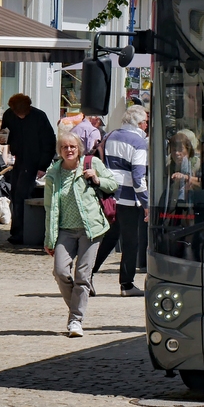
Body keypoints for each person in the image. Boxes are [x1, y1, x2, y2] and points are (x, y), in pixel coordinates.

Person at [43, 132, 118, 335]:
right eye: (65, 147)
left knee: (83, 275)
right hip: (65, 231)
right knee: (60, 272)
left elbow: (113, 184)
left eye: (72, 147)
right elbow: (49, 208)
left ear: (79, 149)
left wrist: (96, 178)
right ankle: (76, 309)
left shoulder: (91, 163)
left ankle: (75, 320)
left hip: (91, 230)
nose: (69, 150)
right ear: (59, 150)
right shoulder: (54, 174)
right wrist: (49, 239)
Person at [92, 105, 149, 297]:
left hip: (108, 194)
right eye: (146, 122)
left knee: (109, 238)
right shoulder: (139, 143)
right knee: (130, 241)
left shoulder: (110, 136)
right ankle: (127, 284)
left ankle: (86, 275)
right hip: (128, 197)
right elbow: (138, 177)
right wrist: (146, 202)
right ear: (141, 123)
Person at [2, 94, 56, 245]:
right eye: (17, 113)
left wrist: (42, 166)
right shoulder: (9, 115)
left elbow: (49, 142)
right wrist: (3, 139)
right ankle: (18, 230)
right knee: (16, 195)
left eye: (23, 113)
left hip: (35, 160)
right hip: (19, 159)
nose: (20, 116)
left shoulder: (39, 117)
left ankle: (22, 233)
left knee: (22, 194)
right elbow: (4, 134)